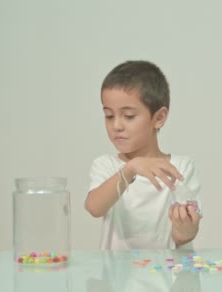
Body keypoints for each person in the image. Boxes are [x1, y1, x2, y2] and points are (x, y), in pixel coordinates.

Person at [85, 60, 202, 250]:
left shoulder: (181, 168)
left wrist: (186, 229)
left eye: (129, 116)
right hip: (118, 278)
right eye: (109, 115)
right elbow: (94, 208)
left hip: (168, 276)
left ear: (159, 118)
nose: (116, 126)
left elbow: (184, 236)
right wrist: (130, 169)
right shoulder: (106, 165)